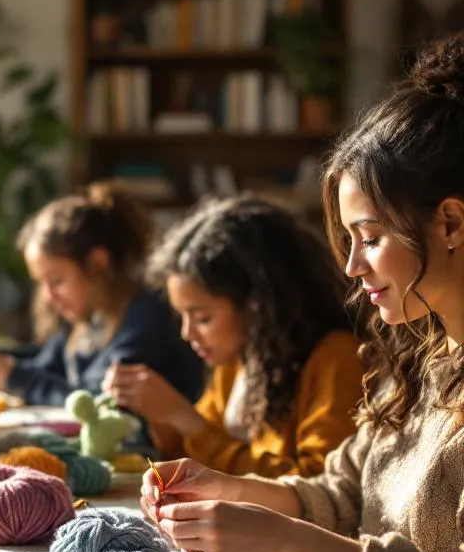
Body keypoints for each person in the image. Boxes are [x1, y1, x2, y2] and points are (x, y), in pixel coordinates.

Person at [143, 34, 464, 552]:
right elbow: (346, 494)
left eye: (370, 237)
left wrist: (287, 543)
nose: (351, 266)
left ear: (450, 222)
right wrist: (230, 490)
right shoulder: (421, 366)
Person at [103, 196, 362, 477]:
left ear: (258, 305)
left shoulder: (336, 359)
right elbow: (195, 459)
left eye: (203, 318)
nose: (187, 333)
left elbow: (317, 483)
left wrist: (184, 418)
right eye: (182, 316)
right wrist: (161, 415)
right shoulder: (238, 361)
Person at [0, 184, 204, 407]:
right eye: (41, 283)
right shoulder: (89, 315)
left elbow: (100, 404)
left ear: (97, 263)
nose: (47, 297)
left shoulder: (148, 316)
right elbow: (47, 367)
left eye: (57, 281)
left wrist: (11, 377)